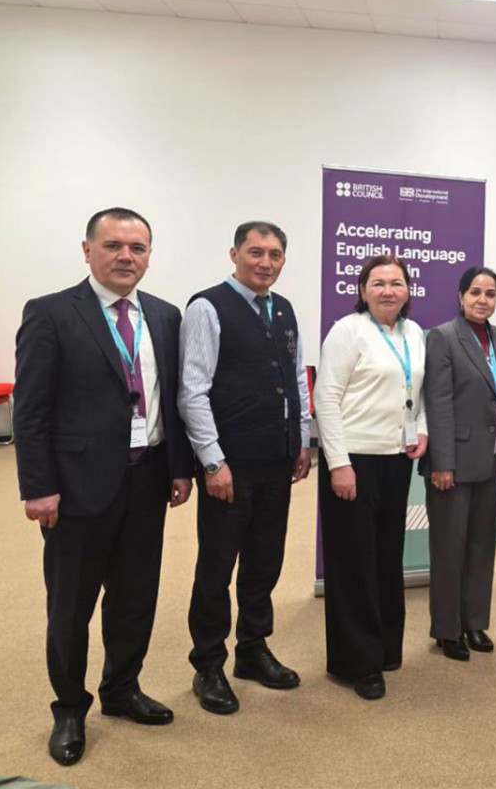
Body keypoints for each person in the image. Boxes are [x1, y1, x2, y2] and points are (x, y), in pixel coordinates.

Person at [14, 208, 194, 766]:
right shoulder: (50, 313)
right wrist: (38, 486)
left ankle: (122, 688)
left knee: (136, 595)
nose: (126, 256)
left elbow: (173, 402)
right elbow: (31, 409)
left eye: (137, 248)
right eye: (113, 245)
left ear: (149, 256)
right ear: (87, 250)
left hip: (148, 477)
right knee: (71, 605)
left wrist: (180, 467)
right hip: (75, 488)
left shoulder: (164, 316)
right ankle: (69, 707)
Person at [179, 221, 312, 715]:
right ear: (234, 254)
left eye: (275, 255)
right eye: (255, 252)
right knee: (217, 567)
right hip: (229, 466)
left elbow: (296, 378)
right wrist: (212, 461)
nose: (265, 262)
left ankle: (253, 649)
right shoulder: (207, 308)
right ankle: (208, 664)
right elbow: (192, 391)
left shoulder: (285, 308)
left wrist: (301, 438)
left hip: (277, 460)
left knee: (264, 560)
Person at [314, 254, 428, 700]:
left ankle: (385, 647)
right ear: (362, 290)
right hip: (353, 460)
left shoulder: (414, 333)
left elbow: (417, 394)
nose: (387, 291)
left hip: (395, 459)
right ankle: (357, 663)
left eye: (396, 283)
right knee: (353, 562)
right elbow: (326, 398)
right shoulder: (348, 330)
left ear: (408, 290)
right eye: (377, 283)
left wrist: (421, 430)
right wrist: (338, 462)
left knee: (385, 556)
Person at [421, 266, 496, 661]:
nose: (483, 300)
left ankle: (475, 621)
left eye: (490, 293)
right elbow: (438, 401)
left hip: (491, 459)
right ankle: (447, 630)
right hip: (453, 462)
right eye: (475, 292)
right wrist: (442, 462)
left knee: (482, 545)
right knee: (449, 549)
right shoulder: (442, 337)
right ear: (460, 297)